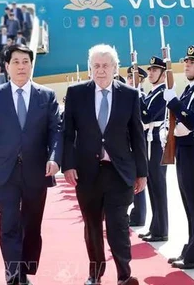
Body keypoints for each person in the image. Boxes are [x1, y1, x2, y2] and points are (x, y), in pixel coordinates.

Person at [0, 44, 62, 285]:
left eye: (25, 62)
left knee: (32, 225)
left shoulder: (46, 96)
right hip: (4, 172)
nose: (21, 66)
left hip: (36, 170)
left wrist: (54, 157)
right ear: (7, 67)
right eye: (16, 62)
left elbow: (55, 131)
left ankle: (26, 267)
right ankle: (14, 274)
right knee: (9, 222)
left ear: (31, 65)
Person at [62, 44, 147, 285]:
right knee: (92, 226)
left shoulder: (130, 95)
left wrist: (142, 172)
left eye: (105, 66)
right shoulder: (76, 93)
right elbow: (68, 133)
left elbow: (137, 135)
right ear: (90, 68)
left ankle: (124, 275)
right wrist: (68, 165)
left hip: (119, 173)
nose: (100, 71)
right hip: (87, 174)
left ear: (114, 68)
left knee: (118, 224)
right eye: (96, 66)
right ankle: (95, 274)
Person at [162, 45, 194, 269]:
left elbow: (191, 120)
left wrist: (174, 102)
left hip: (193, 152)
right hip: (184, 150)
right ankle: (191, 246)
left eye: (193, 62)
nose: (187, 65)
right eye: (186, 62)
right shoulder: (190, 90)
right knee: (188, 202)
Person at [138, 56, 168, 243]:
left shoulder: (163, 93)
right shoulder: (152, 93)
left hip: (157, 142)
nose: (150, 73)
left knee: (158, 186)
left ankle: (161, 228)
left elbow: (147, 116)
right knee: (152, 186)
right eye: (150, 70)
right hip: (150, 141)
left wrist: (136, 96)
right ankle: (155, 227)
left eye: (155, 70)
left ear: (164, 74)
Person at [126, 66, 148, 227]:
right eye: (128, 77)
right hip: (127, 143)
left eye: (133, 77)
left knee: (139, 180)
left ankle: (140, 215)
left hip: (140, 142)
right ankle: (135, 212)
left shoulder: (142, 97)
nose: (129, 79)